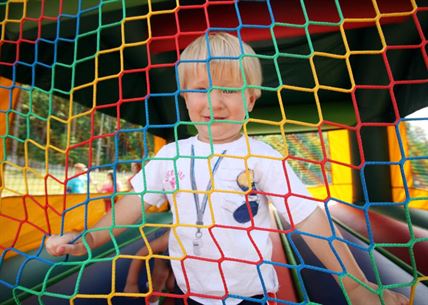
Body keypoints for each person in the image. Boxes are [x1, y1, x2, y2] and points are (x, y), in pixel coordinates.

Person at [46, 32, 408, 305]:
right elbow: (132, 203)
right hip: (193, 293)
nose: (214, 103)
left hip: (249, 295)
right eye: (201, 89)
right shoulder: (171, 155)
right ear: (185, 97)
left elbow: (310, 220)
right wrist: (90, 239)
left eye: (230, 91)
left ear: (250, 99)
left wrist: (353, 283)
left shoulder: (261, 156)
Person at [124, 230, 173, 305]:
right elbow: (141, 254)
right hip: (166, 251)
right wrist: (131, 283)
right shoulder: (167, 240)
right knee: (160, 277)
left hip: (181, 257)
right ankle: (152, 301)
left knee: (171, 285)